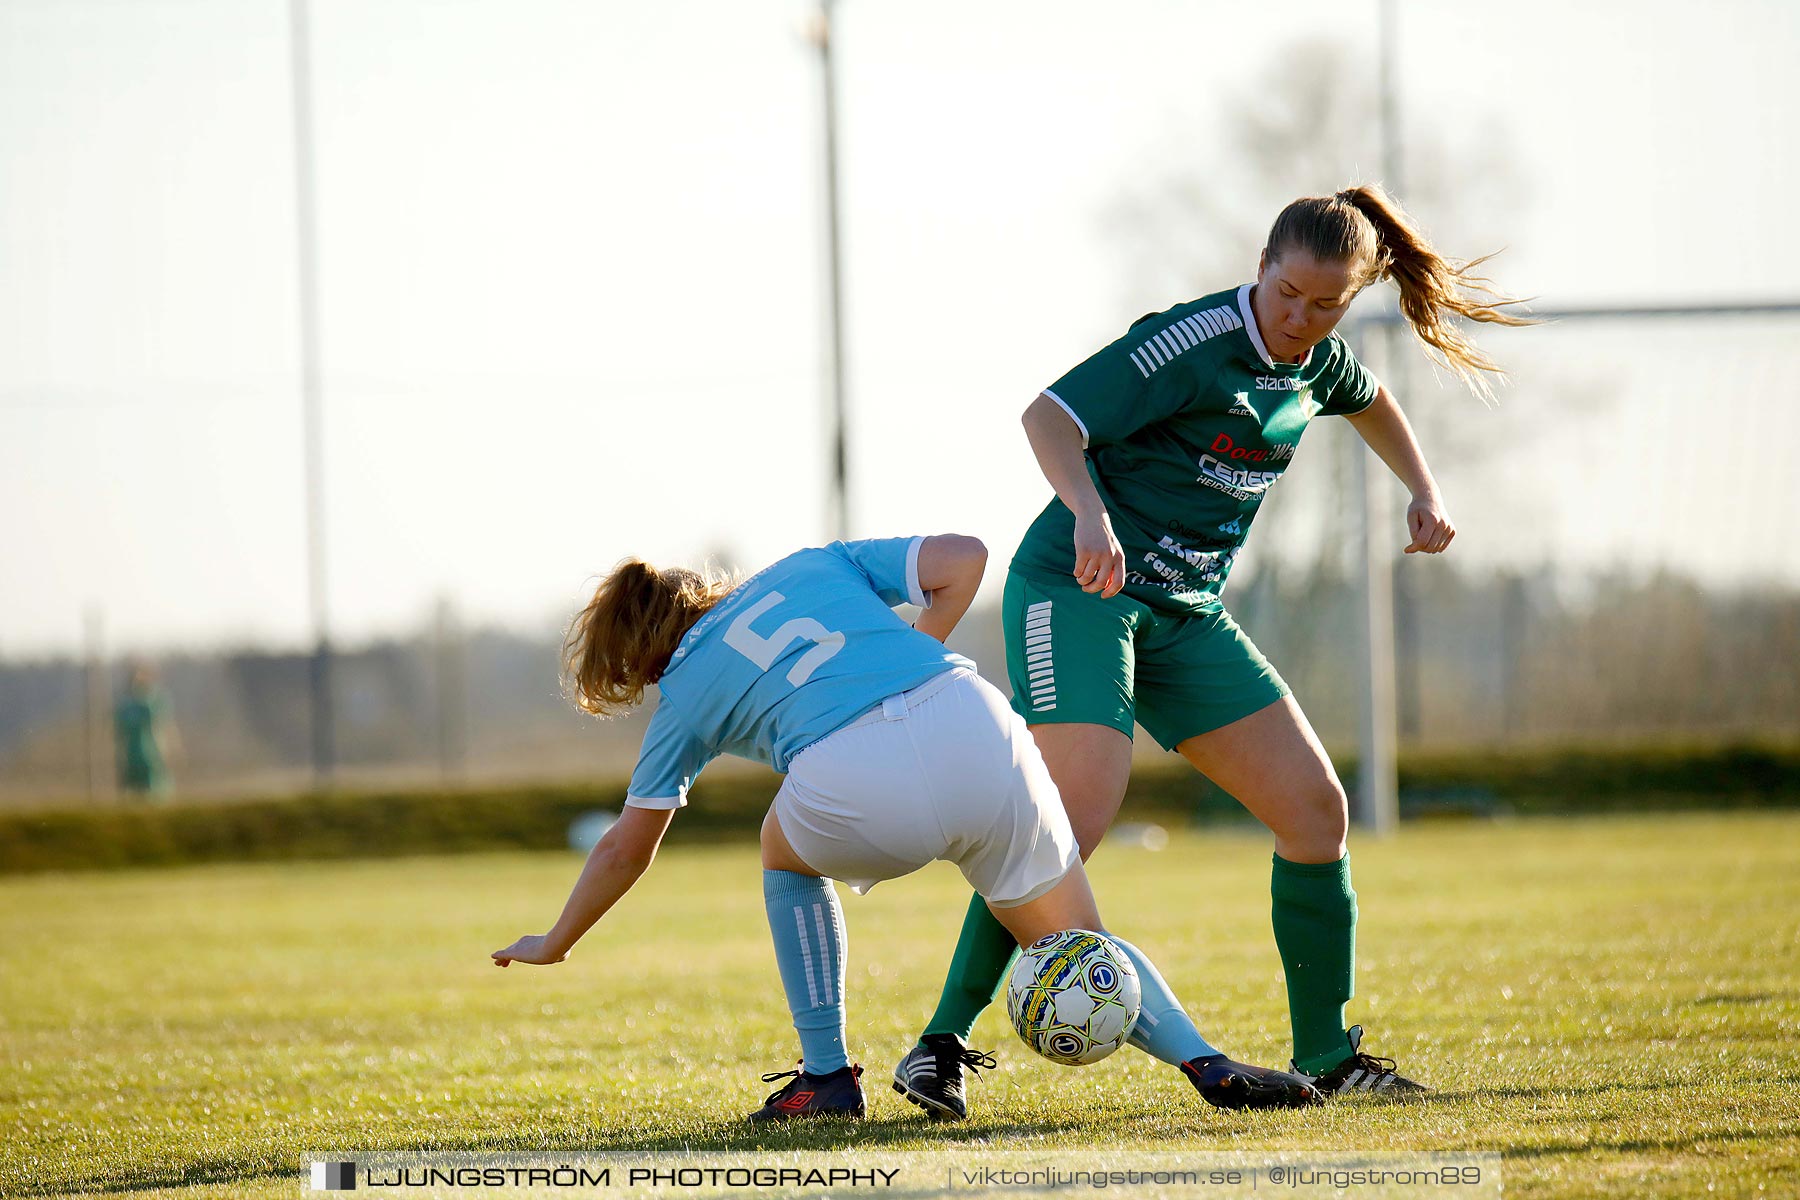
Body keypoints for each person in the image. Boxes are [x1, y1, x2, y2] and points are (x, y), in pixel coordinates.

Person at [895, 185, 1535, 1114]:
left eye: (1327, 306)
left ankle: (1328, 1055)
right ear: (1261, 267)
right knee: (1066, 824)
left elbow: (1373, 399)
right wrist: (1088, 515)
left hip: (1184, 613)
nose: (1301, 319)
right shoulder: (1190, 341)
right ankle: (939, 1046)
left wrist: (1424, 490)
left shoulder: (1319, 361)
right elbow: (1048, 417)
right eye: (1287, 295)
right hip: (1080, 590)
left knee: (1316, 810)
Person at [491, 535, 1322, 1120]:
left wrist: (558, 937)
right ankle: (1206, 1063)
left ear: (641, 653)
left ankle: (825, 1079)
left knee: (780, 850)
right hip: (973, 720)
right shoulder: (813, 564)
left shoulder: (683, 687)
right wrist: (908, 656)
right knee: (1075, 940)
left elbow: (626, 846)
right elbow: (964, 557)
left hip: (859, 774)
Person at [115, 661, 178, 800]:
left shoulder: (151, 701)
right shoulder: (129, 705)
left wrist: (170, 750)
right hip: (137, 754)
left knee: (152, 790)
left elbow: (163, 726)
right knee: (137, 791)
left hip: (148, 752)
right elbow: (120, 732)